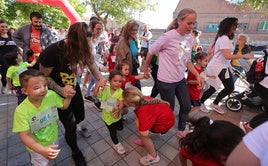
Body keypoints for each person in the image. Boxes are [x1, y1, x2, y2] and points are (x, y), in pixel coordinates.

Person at [39, 22, 103, 166]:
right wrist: (61, 90)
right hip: (57, 93)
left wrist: (101, 80)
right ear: (72, 39)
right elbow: (43, 77)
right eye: (82, 44)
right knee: (70, 124)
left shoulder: (85, 48)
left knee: (80, 116)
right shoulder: (53, 52)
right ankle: (75, 151)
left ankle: (72, 132)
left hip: (74, 88)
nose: (84, 48)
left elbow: (92, 65)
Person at [143, 8, 202, 138]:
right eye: (189, 23)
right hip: (166, 81)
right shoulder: (168, 36)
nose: (192, 26)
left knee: (186, 106)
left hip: (180, 79)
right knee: (168, 109)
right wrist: (146, 69)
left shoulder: (190, 38)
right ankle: (153, 130)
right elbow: (151, 51)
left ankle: (181, 129)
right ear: (180, 21)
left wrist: (197, 74)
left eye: (194, 23)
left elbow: (187, 61)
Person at [12, 69, 75, 166]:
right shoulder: (21, 111)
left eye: (45, 85)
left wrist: (69, 97)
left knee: (49, 158)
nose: (43, 90)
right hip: (37, 147)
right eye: (37, 88)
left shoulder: (51, 95)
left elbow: (64, 106)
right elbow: (24, 135)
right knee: (41, 163)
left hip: (53, 138)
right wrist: (41, 150)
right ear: (25, 91)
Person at [199, 17, 253, 115]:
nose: (235, 27)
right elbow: (227, 56)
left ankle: (214, 104)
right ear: (227, 25)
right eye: (233, 25)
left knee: (230, 88)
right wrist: (244, 55)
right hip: (217, 67)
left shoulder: (227, 38)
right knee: (214, 88)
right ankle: (201, 103)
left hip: (224, 67)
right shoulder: (223, 38)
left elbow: (227, 56)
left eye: (236, 25)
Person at [122, 87, 175, 165]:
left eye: (124, 100)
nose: (122, 101)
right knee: (140, 124)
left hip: (164, 124)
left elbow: (144, 133)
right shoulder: (142, 99)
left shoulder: (143, 111)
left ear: (132, 104)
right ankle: (145, 142)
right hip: (166, 119)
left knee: (143, 135)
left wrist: (137, 123)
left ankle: (153, 156)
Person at [179, 116, 245, 166]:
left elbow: (182, 153)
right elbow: (182, 154)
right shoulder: (198, 153)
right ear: (210, 151)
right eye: (226, 159)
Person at [92, 70, 126, 155]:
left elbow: (122, 103)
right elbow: (95, 95)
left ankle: (118, 127)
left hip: (117, 116)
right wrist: (98, 85)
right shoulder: (104, 90)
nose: (118, 83)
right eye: (115, 81)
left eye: (120, 81)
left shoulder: (120, 91)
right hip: (107, 117)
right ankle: (116, 144)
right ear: (109, 81)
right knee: (112, 132)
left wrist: (119, 109)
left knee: (120, 127)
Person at [84, 20, 108, 103]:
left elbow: (98, 53)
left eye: (101, 29)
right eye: (98, 29)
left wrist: (105, 52)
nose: (100, 31)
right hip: (92, 66)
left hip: (96, 64)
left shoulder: (98, 39)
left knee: (92, 81)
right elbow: (90, 59)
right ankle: (97, 101)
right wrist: (101, 67)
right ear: (92, 29)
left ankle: (87, 95)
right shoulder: (88, 41)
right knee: (99, 82)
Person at [115, 20, 141, 90]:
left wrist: (140, 53)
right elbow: (119, 58)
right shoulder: (122, 41)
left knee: (137, 91)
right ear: (128, 30)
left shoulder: (134, 40)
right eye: (133, 30)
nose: (135, 32)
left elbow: (133, 54)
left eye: (136, 30)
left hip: (134, 68)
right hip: (126, 72)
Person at [0, 20, 17, 94]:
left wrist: (21, 53)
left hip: (13, 60)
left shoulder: (12, 37)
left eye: (6, 26)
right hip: (2, 61)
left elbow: (16, 46)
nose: (4, 28)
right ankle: (4, 86)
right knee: (5, 75)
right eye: (2, 27)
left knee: (14, 74)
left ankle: (13, 88)